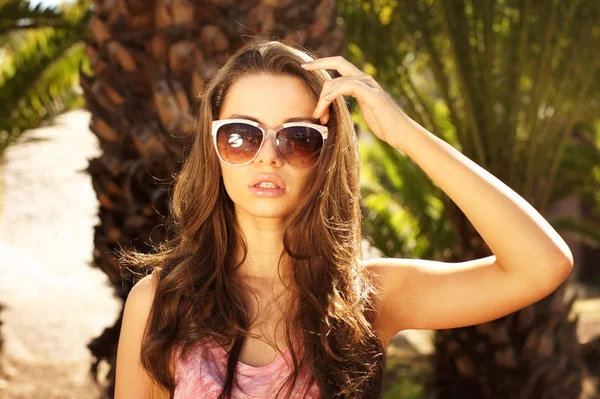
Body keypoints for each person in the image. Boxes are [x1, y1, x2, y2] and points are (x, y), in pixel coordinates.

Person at [114, 40, 574, 399]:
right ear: (214, 151)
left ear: (326, 154)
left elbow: (542, 265)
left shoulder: (365, 298)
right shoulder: (161, 301)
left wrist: (402, 133)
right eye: (241, 135)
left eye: (297, 138)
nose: (268, 157)